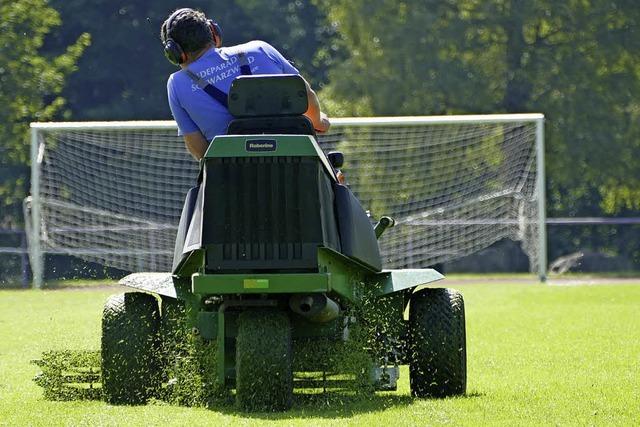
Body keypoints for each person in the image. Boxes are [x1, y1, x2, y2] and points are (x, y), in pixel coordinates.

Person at [161, 7, 331, 160]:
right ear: (214, 33)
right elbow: (305, 94)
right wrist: (318, 122)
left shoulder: (176, 84)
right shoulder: (260, 48)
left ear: (175, 54)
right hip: (298, 169)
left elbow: (201, 152)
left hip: (234, 184)